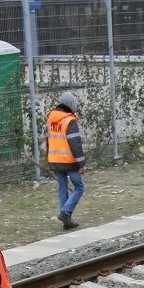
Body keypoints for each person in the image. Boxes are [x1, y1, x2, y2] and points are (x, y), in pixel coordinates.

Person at [46, 91, 86, 230]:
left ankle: (66, 220)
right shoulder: (69, 121)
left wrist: (49, 158)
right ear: (71, 105)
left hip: (54, 159)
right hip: (69, 161)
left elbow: (49, 140)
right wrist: (81, 163)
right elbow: (75, 144)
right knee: (80, 187)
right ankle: (65, 213)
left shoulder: (51, 119)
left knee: (62, 189)